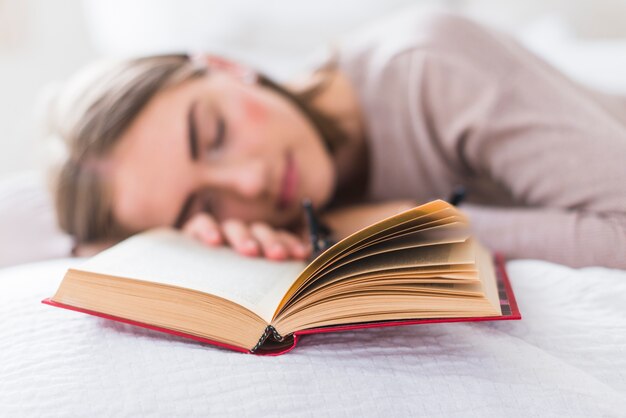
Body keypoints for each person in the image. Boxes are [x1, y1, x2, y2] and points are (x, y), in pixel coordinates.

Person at [47, 11, 626, 269]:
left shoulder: (428, 65)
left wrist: (407, 223)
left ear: (225, 65)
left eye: (215, 134)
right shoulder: (270, 230)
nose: (249, 183)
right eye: (204, 206)